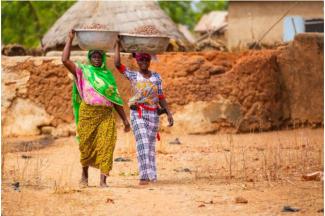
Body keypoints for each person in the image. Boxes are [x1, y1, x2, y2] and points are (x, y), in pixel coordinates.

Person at [62, 29, 130, 187]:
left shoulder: (108, 76)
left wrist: (125, 121)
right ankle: (84, 176)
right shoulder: (83, 71)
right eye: (94, 56)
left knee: (106, 145)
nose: (97, 59)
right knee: (86, 146)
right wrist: (70, 39)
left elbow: (115, 100)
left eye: (100, 56)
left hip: (106, 115)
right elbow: (65, 60)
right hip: (88, 114)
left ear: (103, 58)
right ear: (89, 58)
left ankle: (103, 181)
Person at [114, 39, 174, 185]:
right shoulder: (133, 75)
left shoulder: (156, 77)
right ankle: (143, 176)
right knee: (143, 142)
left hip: (153, 114)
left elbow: (160, 96)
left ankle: (152, 174)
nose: (144, 62)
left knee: (151, 144)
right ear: (137, 61)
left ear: (149, 61)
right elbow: (117, 64)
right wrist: (117, 45)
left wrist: (168, 112)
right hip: (138, 113)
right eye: (141, 60)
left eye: (146, 60)